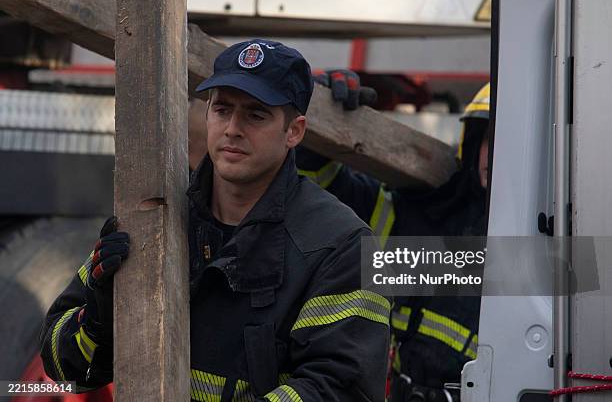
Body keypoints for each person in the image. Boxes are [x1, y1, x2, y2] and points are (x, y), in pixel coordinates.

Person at [39, 40, 392, 402]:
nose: (233, 128)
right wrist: (99, 319)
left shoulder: (340, 245)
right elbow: (64, 371)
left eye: (256, 115)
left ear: (294, 131)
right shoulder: (149, 219)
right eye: (222, 109)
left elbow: (340, 389)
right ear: (207, 114)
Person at [297, 75, 491, 402]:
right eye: (490, 138)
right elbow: (319, 192)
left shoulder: (556, 246)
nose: (498, 153)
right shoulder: (422, 216)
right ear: (472, 143)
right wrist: (321, 111)